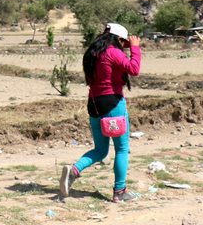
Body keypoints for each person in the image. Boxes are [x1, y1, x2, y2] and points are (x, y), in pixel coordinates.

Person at [59, 22, 142, 203]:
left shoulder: (93, 53)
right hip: (113, 104)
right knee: (121, 149)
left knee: (100, 150)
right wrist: (135, 48)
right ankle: (120, 191)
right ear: (119, 39)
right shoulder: (114, 52)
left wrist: (123, 46)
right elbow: (134, 69)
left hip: (94, 104)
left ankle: (74, 171)